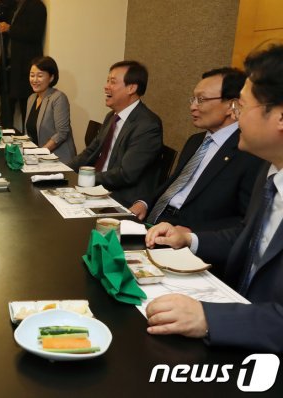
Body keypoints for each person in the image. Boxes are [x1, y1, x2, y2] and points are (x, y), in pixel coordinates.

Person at [144, 42, 283, 352]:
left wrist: (210, 318)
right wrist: (188, 239)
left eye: (241, 107)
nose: (235, 118)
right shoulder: (271, 171)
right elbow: (249, 235)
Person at [129, 68, 263, 232]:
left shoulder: (249, 151)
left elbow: (246, 220)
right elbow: (174, 184)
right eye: (193, 99)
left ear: (232, 105)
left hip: (190, 234)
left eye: (201, 100)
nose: (193, 106)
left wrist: (192, 233)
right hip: (154, 221)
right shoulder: (196, 141)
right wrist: (144, 203)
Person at [68, 60, 163, 207]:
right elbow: (91, 151)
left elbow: (126, 174)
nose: (106, 86)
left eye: (112, 82)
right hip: (96, 187)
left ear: (131, 88)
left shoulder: (147, 125)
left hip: (119, 196)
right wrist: (65, 170)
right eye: (107, 81)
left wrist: (86, 179)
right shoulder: (112, 116)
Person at [0, 0, 46, 129]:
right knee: (5, 115)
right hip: (9, 68)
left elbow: (34, 33)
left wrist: (10, 29)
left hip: (25, 68)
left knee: (28, 111)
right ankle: (3, 144)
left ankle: (28, 144)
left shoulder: (37, 6)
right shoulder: (13, 6)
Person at [24, 56, 76, 163]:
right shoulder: (31, 98)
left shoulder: (58, 97)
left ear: (51, 78)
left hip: (59, 160)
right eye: (32, 75)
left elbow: (62, 133)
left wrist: (40, 153)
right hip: (38, 159)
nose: (34, 80)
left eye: (40, 76)